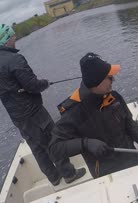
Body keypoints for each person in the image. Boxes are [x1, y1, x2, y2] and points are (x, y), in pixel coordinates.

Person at [0, 24, 85, 186]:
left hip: (17, 117)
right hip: (33, 112)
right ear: (5, 39)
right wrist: (44, 83)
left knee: (36, 147)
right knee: (53, 140)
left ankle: (53, 178)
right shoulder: (14, 59)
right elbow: (32, 85)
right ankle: (69, 174)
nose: (15, 38)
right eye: (12, 36)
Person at [49, 52, 138, 178]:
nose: (113, 80)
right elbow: (54, 150)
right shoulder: (73, 111)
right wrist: (86, 144)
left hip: (132, 158)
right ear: (97, 81)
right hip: (106, 172)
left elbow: (129, 124)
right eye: (110, 77)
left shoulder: (115, 97)